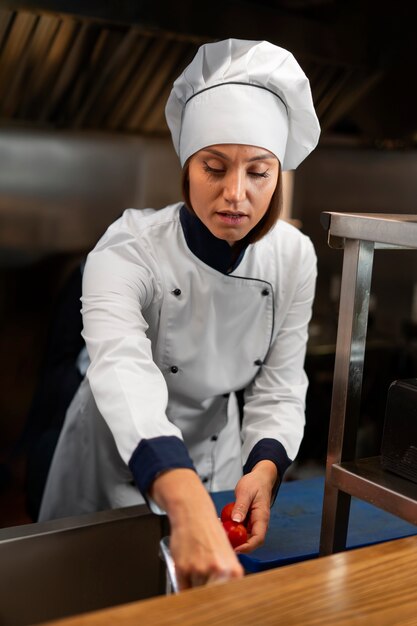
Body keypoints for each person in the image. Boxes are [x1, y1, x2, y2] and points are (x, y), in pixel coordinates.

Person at [38, 38, 320, 589]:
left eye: (259, 173)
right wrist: (183, 498)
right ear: (187, 167)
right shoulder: (127, 248)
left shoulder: (294, 257)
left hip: (220, 453)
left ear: (278, 176)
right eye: (214, 167)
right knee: (87, 592)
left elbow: (281, 386)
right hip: (116, 453)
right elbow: (120, 367)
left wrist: (264, 467)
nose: (235, 194)